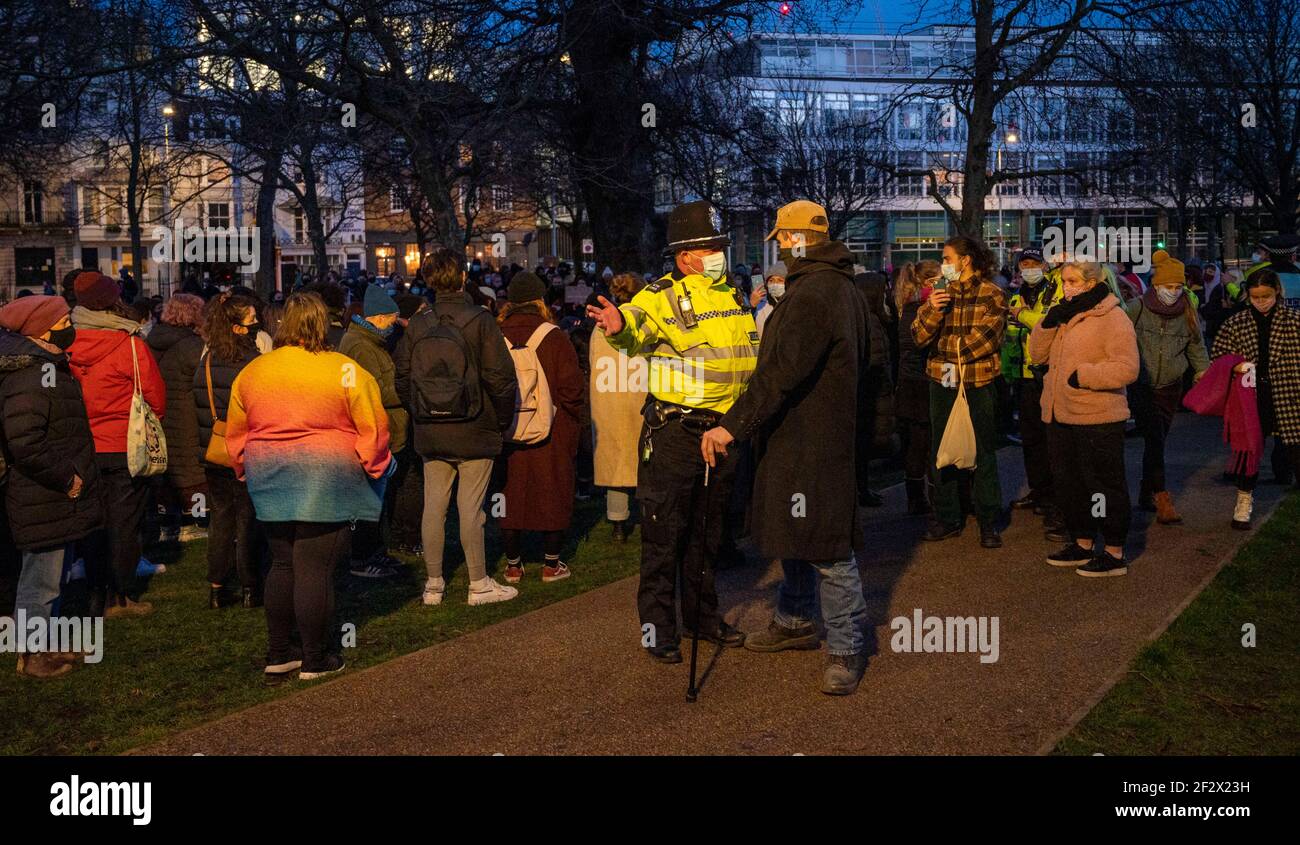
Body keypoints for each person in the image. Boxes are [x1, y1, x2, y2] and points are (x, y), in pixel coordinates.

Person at [701, 200, 870, 695]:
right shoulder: (834, 285)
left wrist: (731, 427)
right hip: (806, 435)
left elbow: (780, 372)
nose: (778, 244)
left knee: (828, 545)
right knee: (799, 531)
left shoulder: (817, 292)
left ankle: (844, 647)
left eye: (783, 236)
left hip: (813, 438)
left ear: (797, 239)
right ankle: (794, 618)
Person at [586, 200, 757, 663]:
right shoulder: (659, 295)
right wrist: (619, 325)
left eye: (720, 245)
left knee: (707, 536)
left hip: (721, 435)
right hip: (676, 433)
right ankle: (657, 630)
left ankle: (701, 619)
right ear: (686, 257)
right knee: (664, 537)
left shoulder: (732, 296)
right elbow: (633, 329)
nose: (719, 253)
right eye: (710, 247)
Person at [225, 292, 393, 680]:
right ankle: (316, 657)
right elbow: (374, 426)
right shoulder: (345, 370)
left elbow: (237, 431)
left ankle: (280, 652)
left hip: (269, 475)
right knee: (314, 569)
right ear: (321, 324)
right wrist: (374, 465)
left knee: (283, 563)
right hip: (326, 476)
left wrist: (244, 468)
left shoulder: (255, 371)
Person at [394, 248, 519, 607]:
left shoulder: (419, 322)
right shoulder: (480, 319)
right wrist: (498, 420)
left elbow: (402, 376)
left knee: (434, 505)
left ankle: (434, 584)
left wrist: (420, 411)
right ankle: (478, 582)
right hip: (474, 425)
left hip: (432, 427)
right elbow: (501, 377)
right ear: (462, 277)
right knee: (471, 508)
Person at [0, 296, 102, 677]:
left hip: (54, 495)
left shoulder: (46, 367)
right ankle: (30, 655)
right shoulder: (32, 375)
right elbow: (24, 440)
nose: (69, 326)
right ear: (44, 330)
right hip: (43, 493)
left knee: (53, 575)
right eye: (64, 320)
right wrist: (66, 478)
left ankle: (42, 644)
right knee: (40, 578)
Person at [1029, 261, 1139, 576]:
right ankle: (1083, 542)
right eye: (1064, 280)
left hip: (1097, 415)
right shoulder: (1066, 314)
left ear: (1091, 283)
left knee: (1102, 485)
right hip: (1060, 413)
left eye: (1072, 280)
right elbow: (1037, 355)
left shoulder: (1113, 317)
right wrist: (1048, 322)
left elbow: (1127, 367)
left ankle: (1114, 551)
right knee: (1070, 484)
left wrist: (1084, 376)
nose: (1066, 286)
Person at [67, 271, 165, 617]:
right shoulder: (130, 344)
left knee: (94, 522)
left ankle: (95, 592)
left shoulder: (67, 342)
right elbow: (155, 395)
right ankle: (119, 596)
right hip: (124, 442)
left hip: (82, 446)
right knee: (124, 523)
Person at [911, 236, 1008, 549]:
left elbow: (987, 340)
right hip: (942, 381)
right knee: (944, 450)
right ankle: (948, 516)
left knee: (983, 449)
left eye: (947, 257)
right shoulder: (940, 293)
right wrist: (933, 310)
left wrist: (946, 347)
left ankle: (987, 520)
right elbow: (918, 336)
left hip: (979, 381)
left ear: (966, 260)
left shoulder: (992, 293)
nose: (944, 264)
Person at [496, 271, 585, 583]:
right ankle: (551, 564)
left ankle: (512, 565)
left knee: (508, 495)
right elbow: (572, 389)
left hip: (507, 430)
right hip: (552, 427)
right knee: (553, 491)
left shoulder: (496, 334)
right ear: (539, 301)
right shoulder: (555, 336)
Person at [1210, 268, 1300, 527]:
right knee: (1249, 451)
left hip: (1289, 393)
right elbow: (1219, 355)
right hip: (1251, 396)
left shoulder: (1293, 321)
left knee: (1296, 450)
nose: (1261, 301)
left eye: (1266, 296)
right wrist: (1234, 366)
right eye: (1256, 296)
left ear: (1277, 293)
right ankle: (1244, 499)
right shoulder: (1236, 323)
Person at [1126, 250, 1209, 524]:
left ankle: (1145, 491)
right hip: (1142, 383)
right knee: (1155, 437)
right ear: (1155, 285)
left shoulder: (1187, 310)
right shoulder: (1138, 307)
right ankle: (1161, 496)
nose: (1173, 292)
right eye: (1167, 287)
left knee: (1156, 440)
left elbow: (1196, 344)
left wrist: (1202, 372)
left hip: (1171, 385)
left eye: (1177, 287)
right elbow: (1120, 334)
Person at [194, 293, 263, 609]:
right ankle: (251, 585)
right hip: (247, 448)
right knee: (248, 518)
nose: (256, 324)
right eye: (251, 320)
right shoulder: (252, 363)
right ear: (237, 327)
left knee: (221, 517)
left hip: (215, 449)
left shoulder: (207, 361)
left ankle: (217, 586)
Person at [338, 285, 409, 579]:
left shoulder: (369, 342)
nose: (394, 325)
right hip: (373, 433)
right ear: (378, 318)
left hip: (383, 430)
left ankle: (375, 553)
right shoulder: (360, 346)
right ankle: (363, 557)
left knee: (377, 499)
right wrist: (406, 388)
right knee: (369, 499)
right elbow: (372, 390)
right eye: (392, 319)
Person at [1005, 247, 1065, 534]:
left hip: (1047, 374)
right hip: (1024, 377)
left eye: (1034, 263)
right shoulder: (1016, 295)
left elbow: (1046, 324)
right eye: (1024, 264)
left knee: (1050, 439)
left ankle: (1054, 497)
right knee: (1030, 439)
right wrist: (1007, 372)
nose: (1028, 268)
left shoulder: (1053, 293)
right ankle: (1038, 490)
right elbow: (1010, 338)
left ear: (1044, 266)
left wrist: (1022, 314)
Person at [589, 272, 647, 542]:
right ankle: (648, 515)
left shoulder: (599, 325)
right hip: (639, 397)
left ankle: (618, 524)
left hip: (610, 397)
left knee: (615, 462)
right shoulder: (645, 322)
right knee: (644, 459)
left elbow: (593, 362)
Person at [147, 293, 208, 544]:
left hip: (160, 414)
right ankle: (194, 520)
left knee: (167, 468)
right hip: (187, 414)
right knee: (191, 470)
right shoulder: (193, 346)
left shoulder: (152, 340)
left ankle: (168, 523)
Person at [894, 260, 939, 515]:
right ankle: (930, 497)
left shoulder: (906, 308)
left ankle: (916, 498)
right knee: (927, 444)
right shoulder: (919, 311)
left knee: (916, 445)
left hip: (909, 383)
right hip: (922, 383)